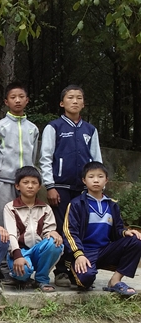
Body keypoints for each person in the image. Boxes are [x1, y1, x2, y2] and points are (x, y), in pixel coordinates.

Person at [40, 85, 102, 288]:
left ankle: (79, 268)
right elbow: (45, 158)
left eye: (79, 98)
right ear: (62, 103)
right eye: (70, 97)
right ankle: (61, 271)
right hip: (60, 187)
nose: (75, 101)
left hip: (83, 189)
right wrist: (50, 186)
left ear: (84, 103)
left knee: (81, 228)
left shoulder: (90, 130)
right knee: (61, 228)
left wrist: (96, 186)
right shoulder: (54, 127)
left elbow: (96, 161)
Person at [63, 162, 141, 296]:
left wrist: (125, 232)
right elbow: (69, 232)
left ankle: (115, 281)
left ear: (106, 180)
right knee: (86, 281)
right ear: (84, 180)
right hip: (84, 252)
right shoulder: (76, 204)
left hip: (105, 250)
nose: (96, 180)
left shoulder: (112, 205)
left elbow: (117, 230)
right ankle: (76, 270)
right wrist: (78, 254)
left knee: (136, 240)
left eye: (100, 176)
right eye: (91, 176)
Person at [3, 166, 63, 292]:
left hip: (37, 251)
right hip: (20, 251)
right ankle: (22, 278)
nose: (30, 186)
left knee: (55, 243)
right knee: (23, 273)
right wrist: (17, 255)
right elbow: (11, 234)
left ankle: (41, 279)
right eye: (25, 182)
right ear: (17, 186)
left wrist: (52, 232)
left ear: (39, 186)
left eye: (34, 183)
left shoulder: (45, 208)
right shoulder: (10, 207)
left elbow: (48, 231)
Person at [0, 82, 39, 227]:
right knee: (3, 218)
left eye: (21, 97)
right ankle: (3, 242)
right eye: (13, 97)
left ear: (27, 100)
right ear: (6, 101)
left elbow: (34, 154)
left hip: (27, 181)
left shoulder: (33, 128)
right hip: (4, 180)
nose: (17, 100)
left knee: (26, 218)